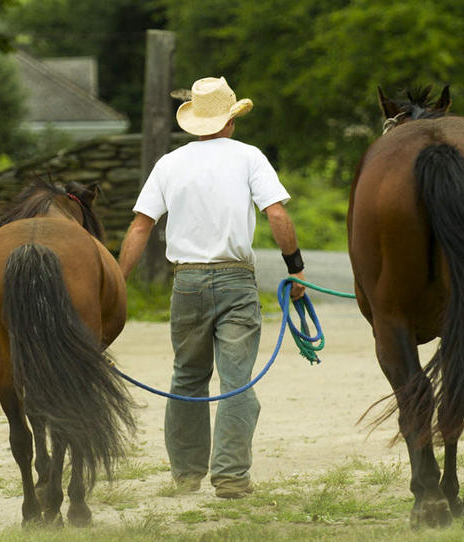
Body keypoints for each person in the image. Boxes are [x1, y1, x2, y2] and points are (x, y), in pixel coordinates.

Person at [118, 76, 306, 499]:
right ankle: (232, 478)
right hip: (236, 278)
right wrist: (295, 268)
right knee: (236, 380)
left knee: (187, 377)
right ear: (231, 121)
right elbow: (276, 216)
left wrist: (116, 281)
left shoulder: (169, 164)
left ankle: (186, 474)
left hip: (187, 281)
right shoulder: (249, 158)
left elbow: (141, 226)